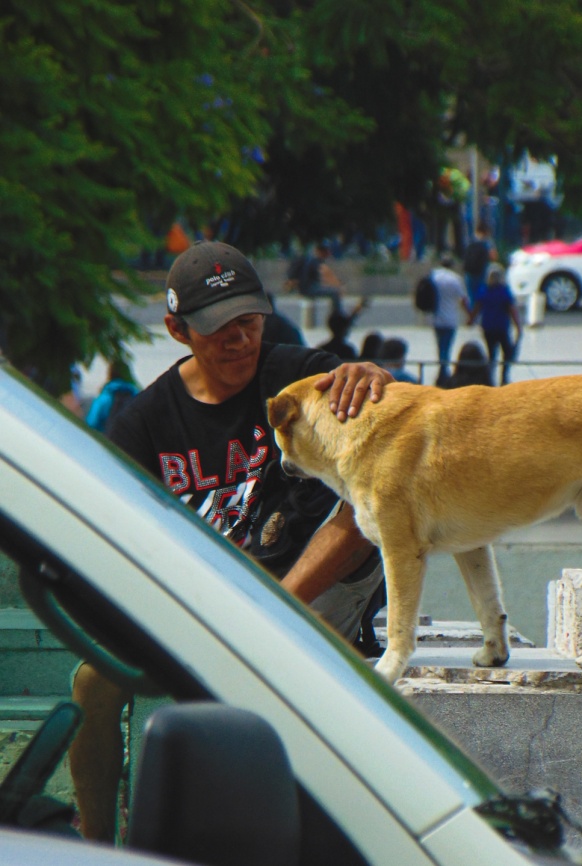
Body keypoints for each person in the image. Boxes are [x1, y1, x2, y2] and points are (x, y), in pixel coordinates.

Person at [69, 240, 393, 843]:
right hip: (208, 599)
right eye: (220, 328)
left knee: (363, 510)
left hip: (309, 584)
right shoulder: (143, 424)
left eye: (249, 320)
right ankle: (97, 843)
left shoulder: (302, 376)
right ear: (177, 329)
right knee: (91, 681)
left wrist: (374, 383)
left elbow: (375, 486)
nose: (240, 340)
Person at [469, 262, 522, 386]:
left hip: (488, 327)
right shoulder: (504, 291)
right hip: (501, 327)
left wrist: (471, 319)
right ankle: (504, 377)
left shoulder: (484, 290)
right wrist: (517, 325)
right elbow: (511, 309)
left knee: (491, 354)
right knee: (507, 353)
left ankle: (490, 378)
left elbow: (477, 307)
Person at [430, 252, 471, 386]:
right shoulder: (455, 279)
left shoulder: (434, 276)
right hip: (450, 319)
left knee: (440, 347)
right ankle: (443, 374)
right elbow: (463, 299)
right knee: (446, 348)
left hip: (436, 318)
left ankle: (442, 372)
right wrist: (470, 314)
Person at [85, 359, 140, 433]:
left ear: (110, 374)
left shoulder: (104, 398)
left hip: (107, 442)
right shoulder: (137, 398)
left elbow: (91, 424)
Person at [286, 241, 343, 311]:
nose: (326, 253)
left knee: (332, 290)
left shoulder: (309, 258)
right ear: (319, 251)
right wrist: (337, 285)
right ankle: (337, 315)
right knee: (335, 293)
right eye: (324, 251)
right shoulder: (314, 260)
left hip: (305, 288)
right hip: (309, 289)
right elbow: (327, 274)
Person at [462, 220, 497, 307]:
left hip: (469, 273)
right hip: (481, 272)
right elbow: (493, 256)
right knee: (481, 297)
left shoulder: (470, 239)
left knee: (471, 297)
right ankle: (479, 317)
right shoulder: (487, 242)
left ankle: (472, 315)